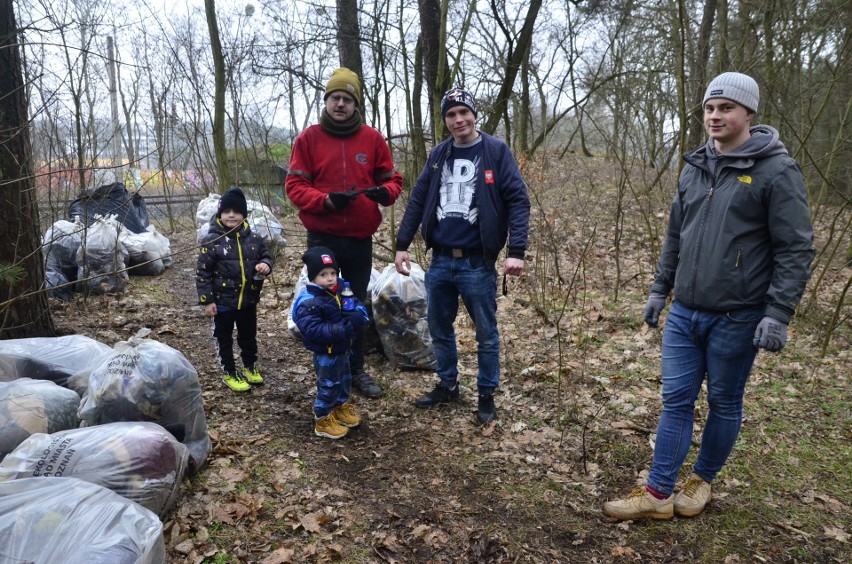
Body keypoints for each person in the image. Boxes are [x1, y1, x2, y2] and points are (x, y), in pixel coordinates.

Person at [603, 72, 814, 520]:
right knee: (675, 401)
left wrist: (778, 313)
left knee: (724, 402)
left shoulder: (777, 170)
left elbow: (795, 247)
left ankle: (701, 481)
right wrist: (661, 288)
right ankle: (658, 494)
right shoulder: (694, 167)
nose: (715, 116)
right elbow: (676, 234)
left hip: (738, 316)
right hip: (685, 312)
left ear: (748, 113)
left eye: (726, 108)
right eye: (709, 108)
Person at [394, 86, 531, 425]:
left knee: (486, 333)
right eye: (451, 115)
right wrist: (402, 243)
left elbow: (518, 200)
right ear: (445, 121)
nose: (458, 120)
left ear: (474, 114)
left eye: (463, 113)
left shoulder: (496, 151)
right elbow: (417, 198)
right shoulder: (439, 155)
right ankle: (448, 384)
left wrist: (517, 251)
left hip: (477, 263)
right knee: (439, 327)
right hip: (440, 260)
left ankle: (486, 396)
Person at [286, 67, 404, 399]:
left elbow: (393, 180)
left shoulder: (372, 138)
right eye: (335, 97)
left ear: (355, 105)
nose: (340, 104)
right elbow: (294, 186)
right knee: (324, 306)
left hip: (358, 239)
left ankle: (357, 371)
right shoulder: (308, 139)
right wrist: (324, 201)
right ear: (326, 101)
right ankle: (328, 372)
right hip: (322, 238)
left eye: (347, 99)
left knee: (353, 304)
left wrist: (386, 193)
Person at [196, 187, 273, 392]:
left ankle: (249, 366)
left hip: (248, 299)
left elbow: (266, 256)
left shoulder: (254, 239)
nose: (232, 215)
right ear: (220, 214)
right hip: (222, 301)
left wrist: (265, 265)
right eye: (227, 211)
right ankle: (229, 371)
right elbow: (203, 272)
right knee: (224, 337)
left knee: (248, 335)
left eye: (237, 211)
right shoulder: (211, 240)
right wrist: (207, 300)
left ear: (244, 215)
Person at [292, 246, 369, 439]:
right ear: (312, 278)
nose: (330, 278)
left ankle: (340, 407)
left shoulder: (342, 289)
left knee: (344, 379)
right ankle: (323, 417)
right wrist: (342, 328)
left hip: (343, 347)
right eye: (323, 274)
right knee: (328, 383)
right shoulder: (309, 301)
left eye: (333, 273)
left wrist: (358, 316)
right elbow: (312, 329)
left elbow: (357, 306)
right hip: (325, 352)